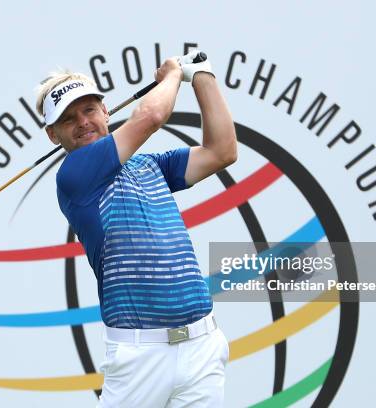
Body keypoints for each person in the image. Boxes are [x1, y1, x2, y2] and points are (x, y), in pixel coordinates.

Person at [36, 51, 237, 407]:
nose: (82, 122)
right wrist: (174, 74)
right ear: (53, 136)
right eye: (68, 119)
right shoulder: (74, 176)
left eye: (89, 110)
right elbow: (151, 116)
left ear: (106, 111)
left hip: (201, 344)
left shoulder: (150, 166)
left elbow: (221, 151)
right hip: (138, 356)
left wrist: (202, 76)